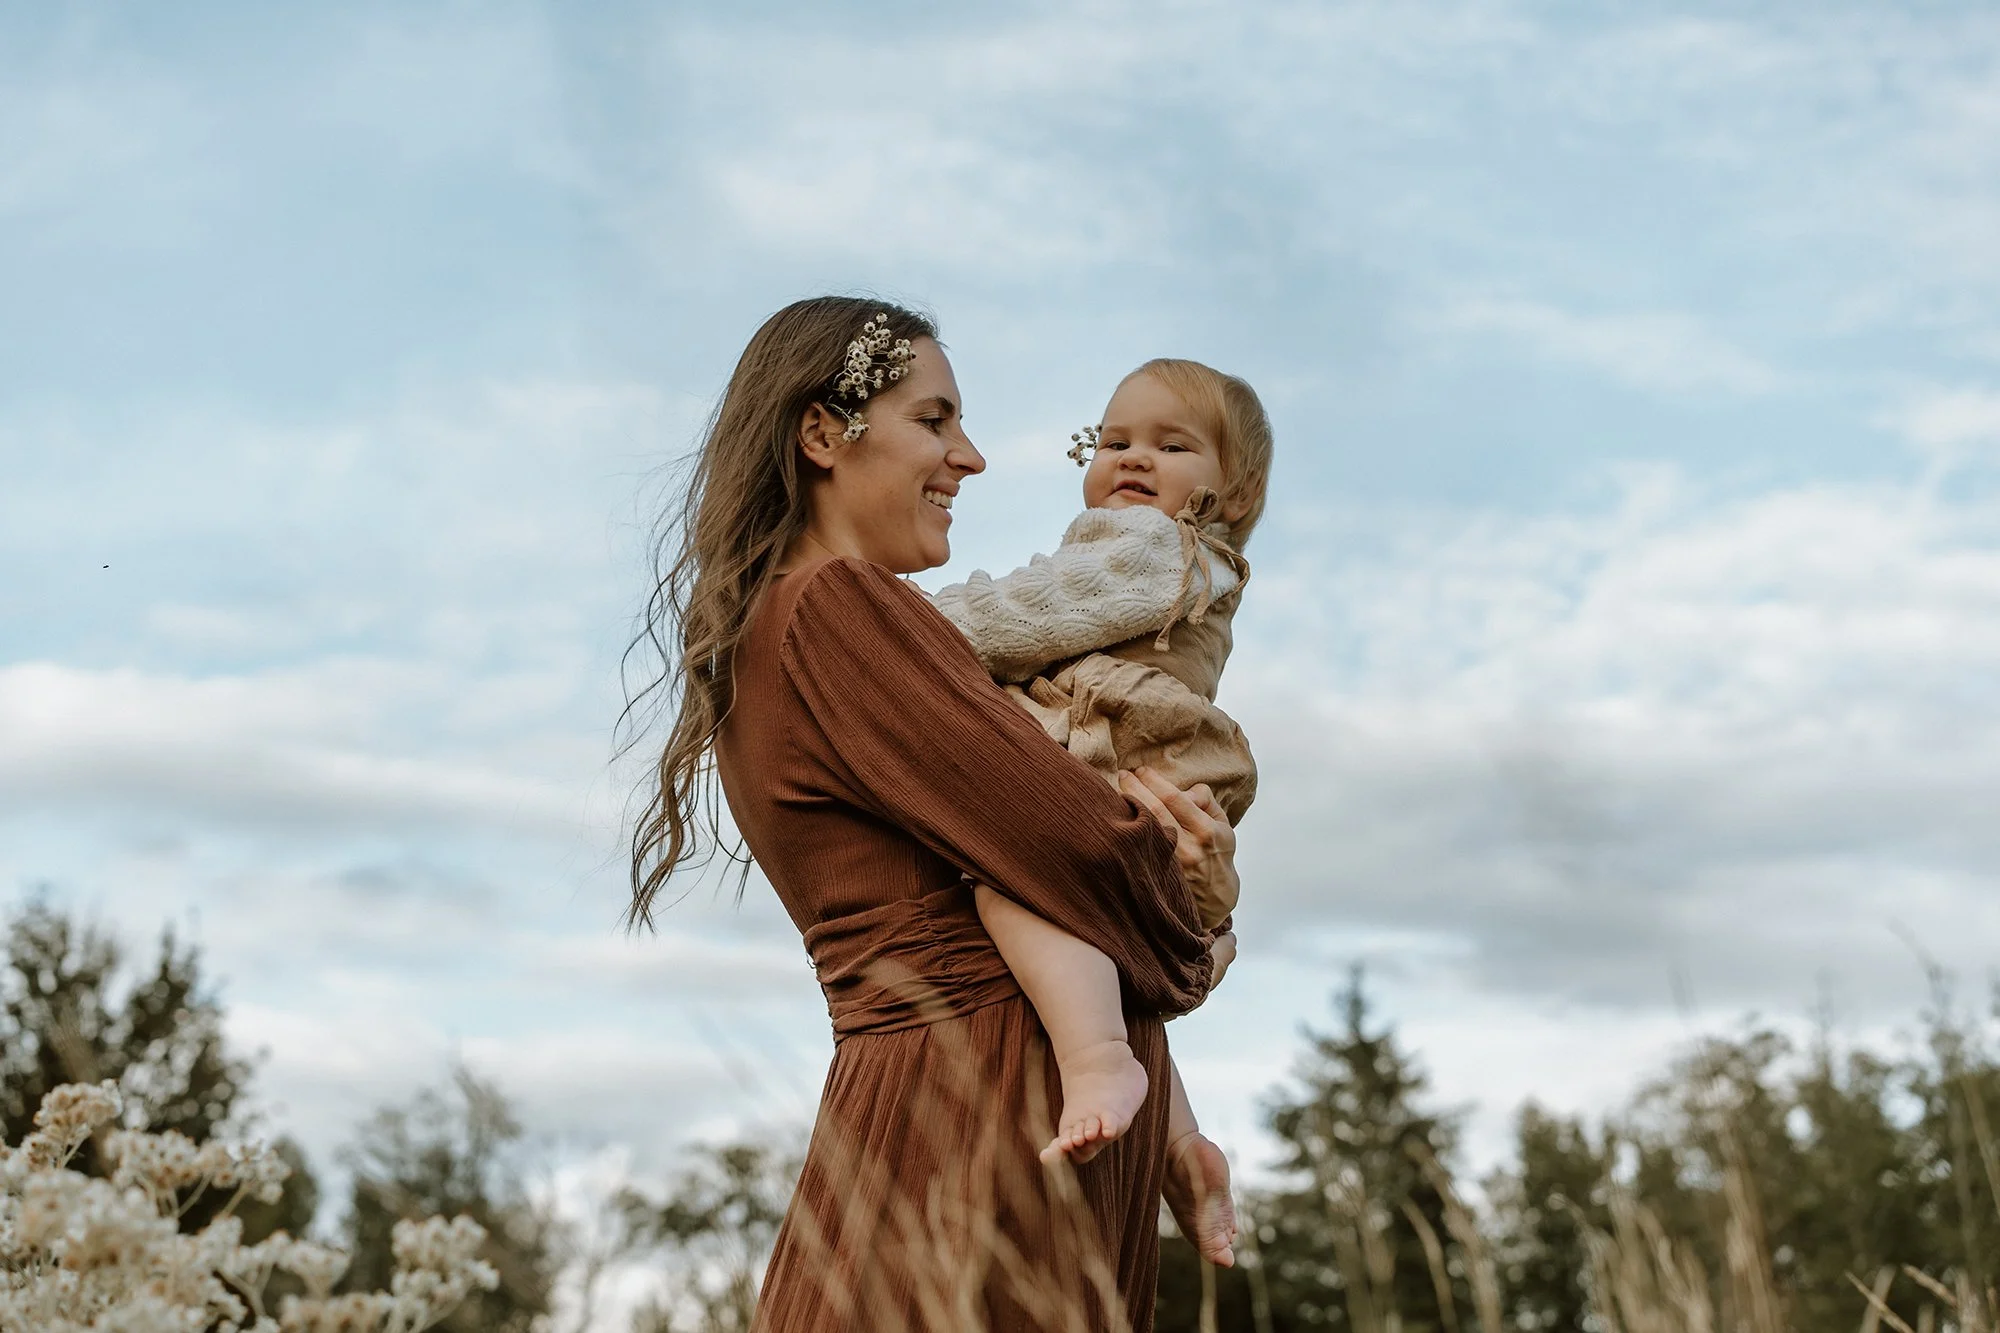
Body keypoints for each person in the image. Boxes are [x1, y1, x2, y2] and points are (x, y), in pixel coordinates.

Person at [626, 297, 1240, 1333]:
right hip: (972, 1112)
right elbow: (1077, 844)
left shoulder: (796, 623)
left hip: (981, 1102)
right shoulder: (836, 607)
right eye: (935, 420)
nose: (972, 458)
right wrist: (1201, 919)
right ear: (822, 434)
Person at [930, 358, 1269, 1261]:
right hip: (1145, 760)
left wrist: (900, 619)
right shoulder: (1153, 552)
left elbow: (1016, 616)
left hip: (1118, 750)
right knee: (1112, 975)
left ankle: (1097, 1064)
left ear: (1232, 489)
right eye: (1113, 439)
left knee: (1013, 885)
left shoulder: (1155, 548)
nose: (1133, 457)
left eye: (1171, 443)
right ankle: (1179, 1140)